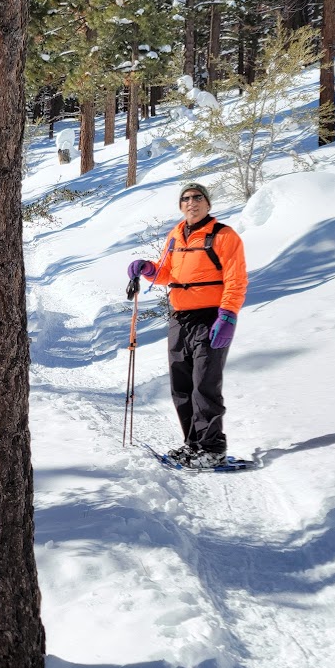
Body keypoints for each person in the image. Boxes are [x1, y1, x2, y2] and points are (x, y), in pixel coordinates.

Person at [127, 182, 248, 466]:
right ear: (180, 206)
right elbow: (166, 273)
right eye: (185, 199)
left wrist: (228, 315)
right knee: (180, 385)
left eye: (197, 197)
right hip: (180, 318)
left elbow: (236, 279)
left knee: (204, 383)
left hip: (211, 317)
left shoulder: (224, 236)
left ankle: (212, 448)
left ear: (208, 204)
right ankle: (193, 444)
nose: (191, 202)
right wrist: (147, 268)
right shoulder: (176, 235)